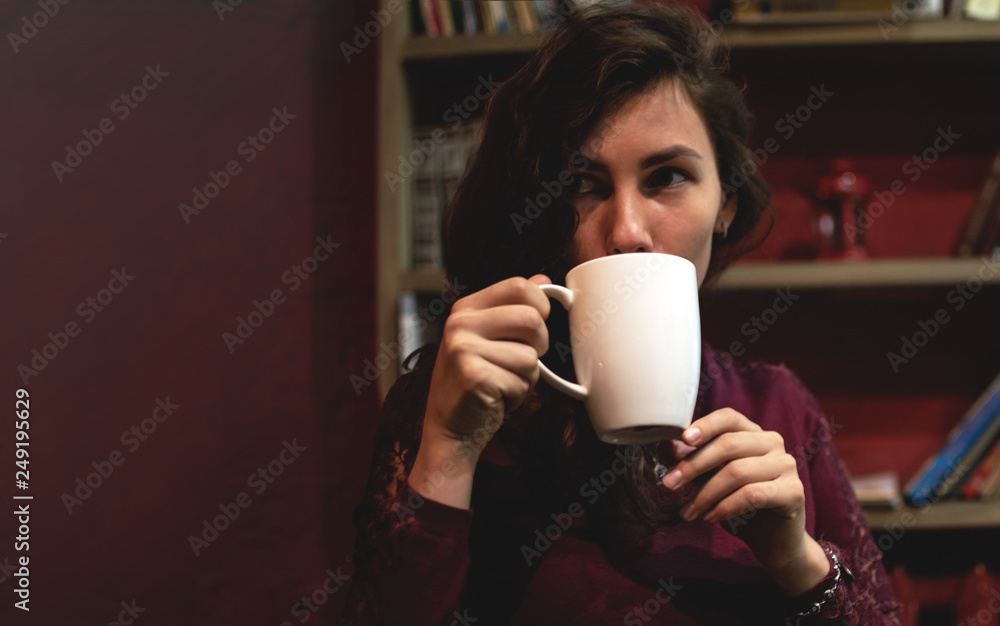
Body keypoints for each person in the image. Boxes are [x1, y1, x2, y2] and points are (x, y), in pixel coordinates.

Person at [343, 2, 903, 624]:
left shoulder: (779, 405)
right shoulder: (452, 403)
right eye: (583, 183)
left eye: (667, 176)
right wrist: (448, 449)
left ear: (726, 204)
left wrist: (796, 558)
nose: (628, 230)